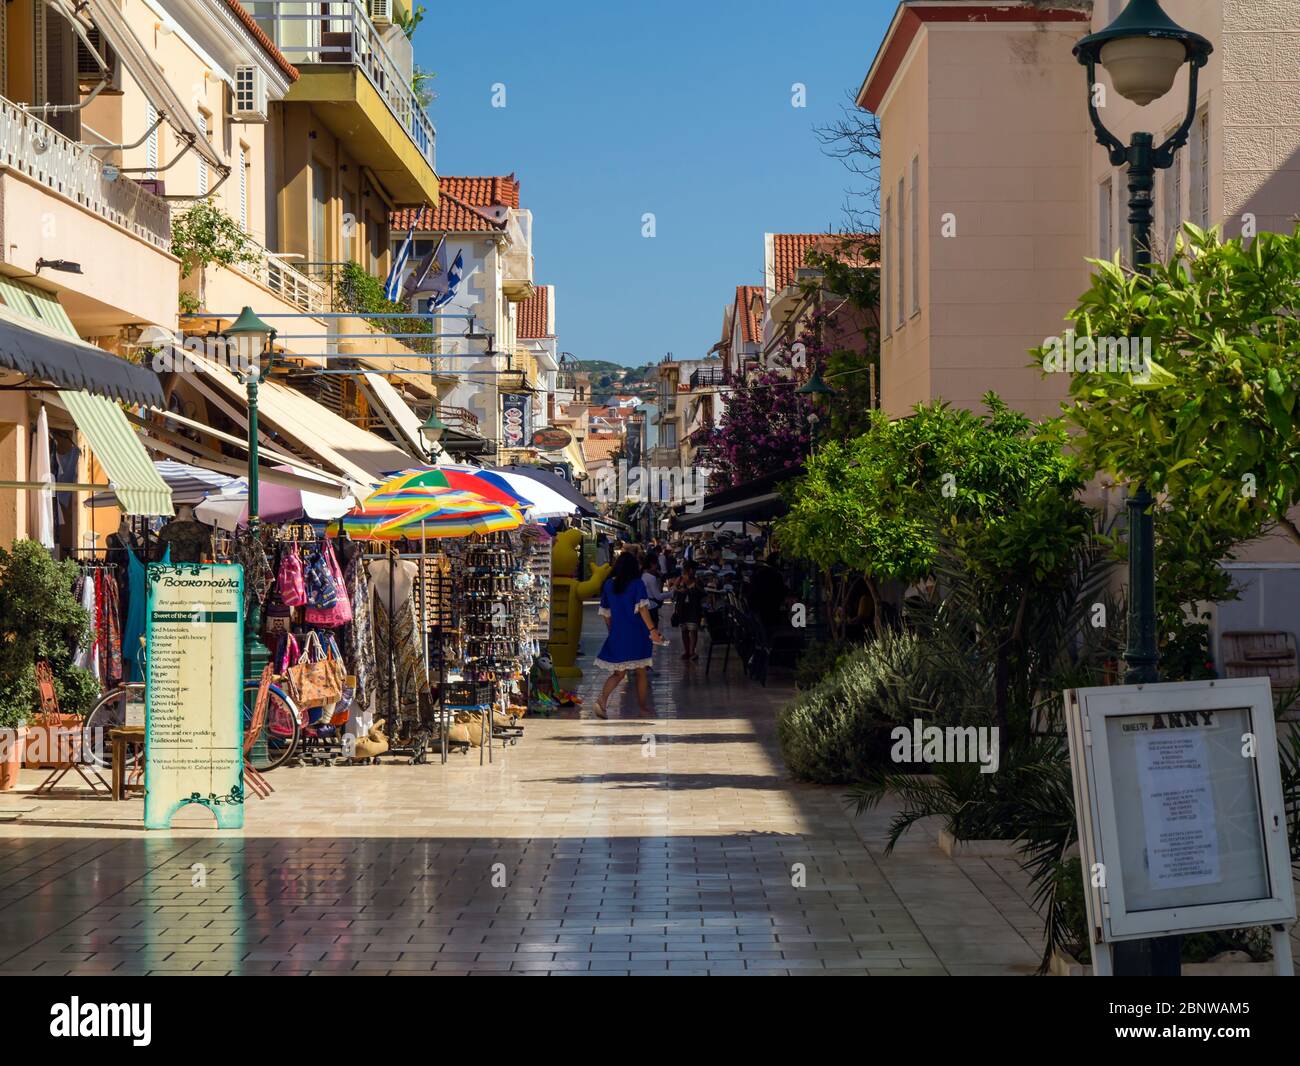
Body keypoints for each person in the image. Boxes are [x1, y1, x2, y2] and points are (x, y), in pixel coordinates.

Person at [594, 551, 663, 717]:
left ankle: (602, 701)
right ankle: (643, 708)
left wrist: (612, 632)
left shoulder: (609, 585)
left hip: (618, 633)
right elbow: (643, 610)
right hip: (638, 634)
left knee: (618, 673)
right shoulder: (637, 584)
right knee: (641, 672)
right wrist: (653, 631)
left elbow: (606, 613)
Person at [672, 561, 705, 661]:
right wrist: (679, 590)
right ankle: (687, 651)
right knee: (685, 630)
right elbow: (673, 589)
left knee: (693, 630)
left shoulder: (697, 580)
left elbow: (703, 592)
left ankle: (692, 652)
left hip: (694, 608)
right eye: (692, 569)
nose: (693, 571)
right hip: (683, 608)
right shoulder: (680, 579)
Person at [640, 558, 668, 629]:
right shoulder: (651, 578)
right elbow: (657, 596)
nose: (657, 567)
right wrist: (671, 593)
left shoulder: (638, 576)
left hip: (640, 607)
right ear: (652, 564)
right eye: (656, 564)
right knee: (653, 631)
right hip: (651, 607)